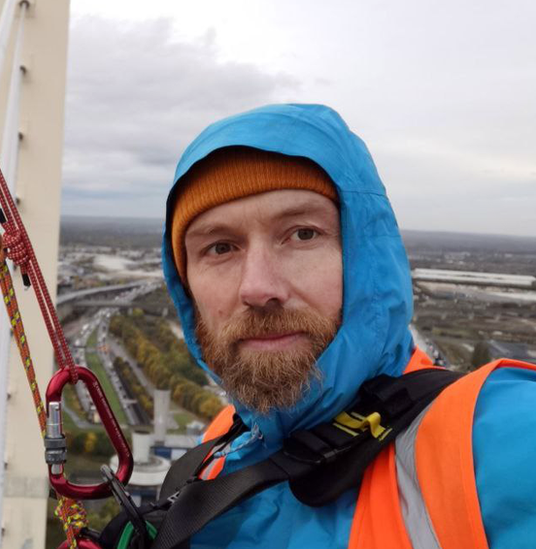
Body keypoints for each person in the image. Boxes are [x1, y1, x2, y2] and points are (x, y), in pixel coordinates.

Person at [160, 104, 536, 548]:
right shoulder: (223, 443)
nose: (259, 288)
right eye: (220, 247)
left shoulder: (490, 441)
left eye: (302, 234)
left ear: (367, 255)